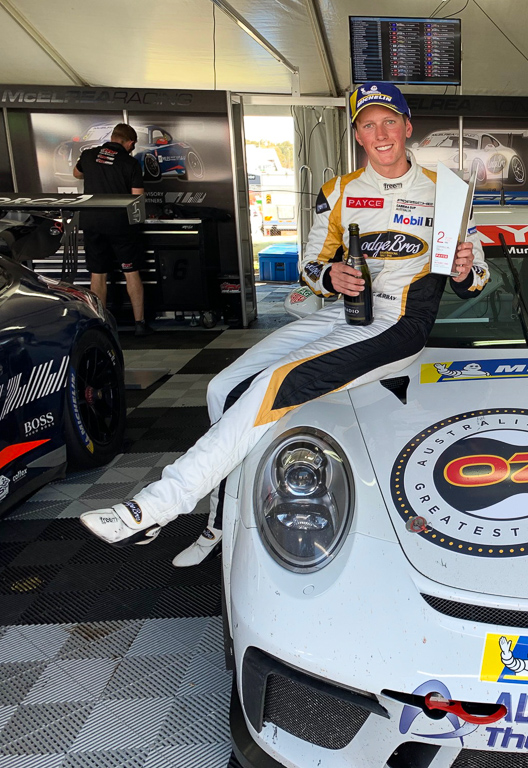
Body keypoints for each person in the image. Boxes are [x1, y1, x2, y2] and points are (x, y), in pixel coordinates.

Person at [80, 83, 490, 559]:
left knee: (279, 381)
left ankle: (157, 504)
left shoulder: (449, 191)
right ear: (356, 133)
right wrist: (332, 275)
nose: (381, 133)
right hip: (345, 311)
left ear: (407, 127)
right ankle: (217, 521)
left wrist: (465, 269)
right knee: (222, 387)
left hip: (400, 321)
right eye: (369, 124)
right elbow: (310, 269)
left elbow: (475, 273)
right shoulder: (339, 191)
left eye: (390, 121)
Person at [73, 123, 153, 336]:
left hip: (92, 222)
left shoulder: (88, 155)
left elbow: (76, 174)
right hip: (121, 224)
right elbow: (138, 197)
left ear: (113, 137)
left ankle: (100, 324)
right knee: (131, 271)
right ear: (130, 143)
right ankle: (140, 324)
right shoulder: (130, 162)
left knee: (98, 274)